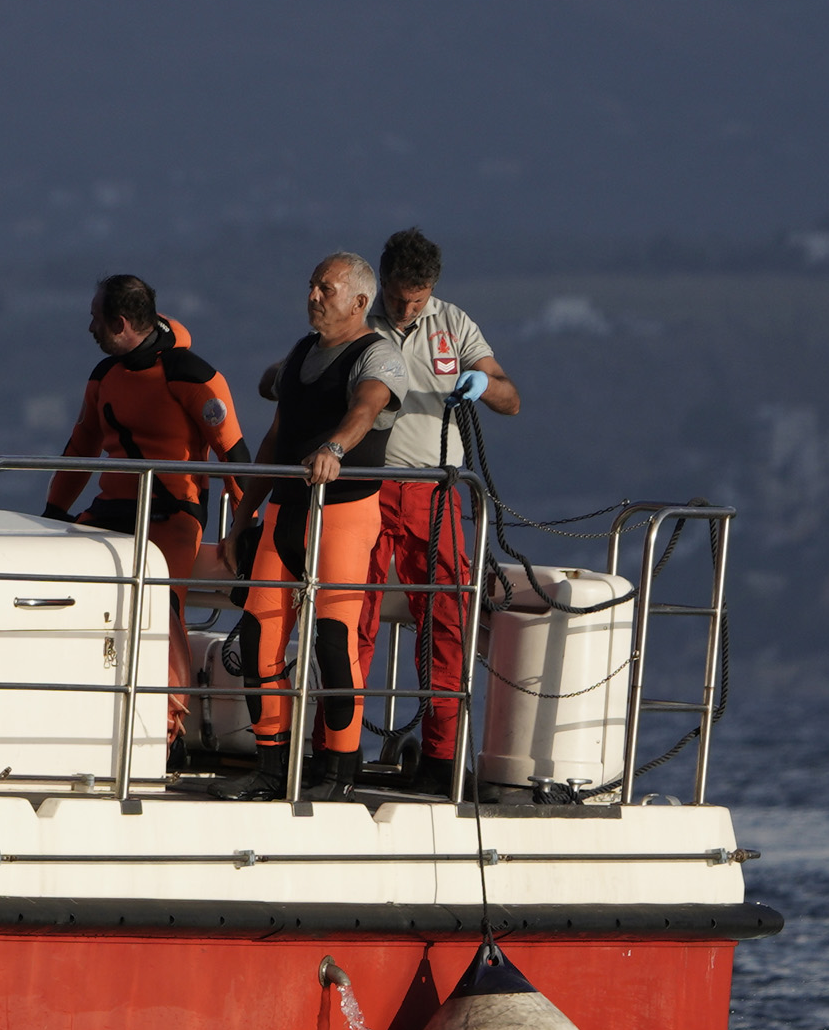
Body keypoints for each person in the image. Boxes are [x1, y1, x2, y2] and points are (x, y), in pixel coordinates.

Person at [42, 275, 248, 759]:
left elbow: (236, 457)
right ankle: (72, 710)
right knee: (60, 583)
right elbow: (81, 449)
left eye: (96, 318)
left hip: (172, 512)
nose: (89, 327)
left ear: (120, 323)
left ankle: (165, 730)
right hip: (113, 506)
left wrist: (244, 529)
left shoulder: (191, 375)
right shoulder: (104, 375)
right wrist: (52, 515)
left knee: (161, 609)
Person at [227, 253, 408, 801]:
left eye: (324, 289)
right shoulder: (302, 351)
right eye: (310, 285)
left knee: (334, 640)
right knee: (260, 635)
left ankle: (340, 771)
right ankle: (272, 765)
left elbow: (366, 406)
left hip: (343, 513)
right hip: (286, 510)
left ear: (358, 302)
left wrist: (334, 447)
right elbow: (276, 435)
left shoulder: (379, 354)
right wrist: (243, 514)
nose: (312, 296)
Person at [365, 227, 515, 787]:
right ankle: (334, 746)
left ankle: (443, 756)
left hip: (435, 490)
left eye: (418, 298)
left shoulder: (454, 322)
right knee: (352, 616)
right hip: (367, 487)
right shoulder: (356, 317)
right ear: (381, 282)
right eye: (400, 296)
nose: (408, 307)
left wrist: (481, 384)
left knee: (449, 618)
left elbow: (511, 397)